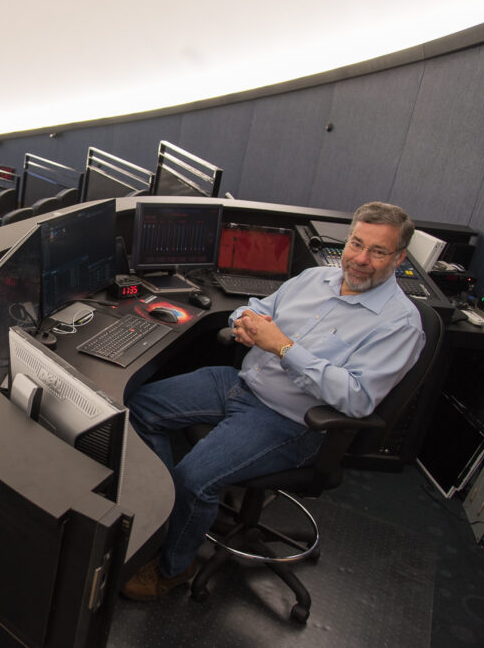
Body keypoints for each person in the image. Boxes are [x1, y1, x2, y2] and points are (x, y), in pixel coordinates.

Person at [121, 201, 426, 601]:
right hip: (242, 382)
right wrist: (243, 323)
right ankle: (167, 514)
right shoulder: (315, 278)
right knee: (138, 406)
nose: (361, 259)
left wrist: (283, 347)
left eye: (378, 251)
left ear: (400, 258)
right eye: (356, 244)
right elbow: (257, 309)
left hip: (290, 420)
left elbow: (357, 398)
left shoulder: (399, 323)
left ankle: (173, 567)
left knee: (194, 479)